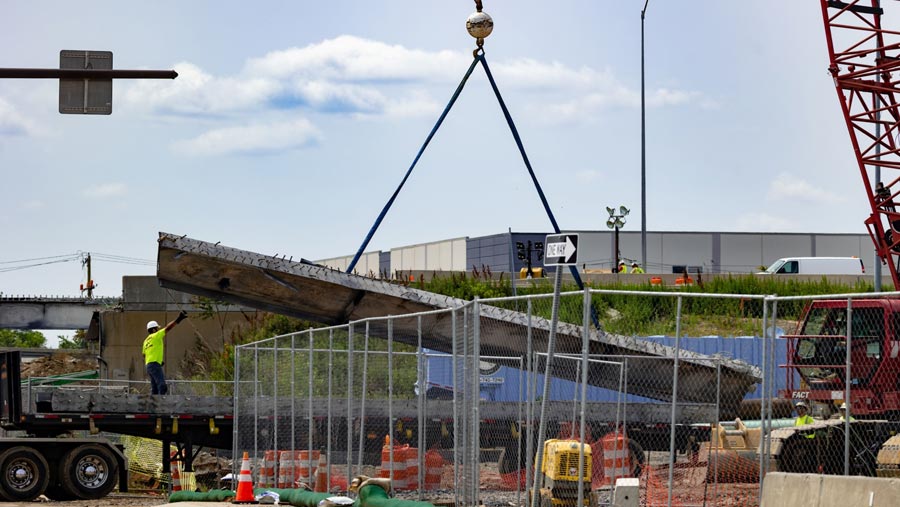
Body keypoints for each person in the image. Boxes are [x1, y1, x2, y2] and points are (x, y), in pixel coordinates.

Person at [143, 310, 188, 395]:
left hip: (148, 365)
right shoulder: (156, 336)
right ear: (153, 330)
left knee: (155, 388)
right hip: (154, 364)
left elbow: (144, 354)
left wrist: (158, 359)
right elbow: (168, 328)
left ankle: (153, 405)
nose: (158, 329)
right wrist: (179, 319)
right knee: (162, 386)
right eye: (157, 328)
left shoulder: (145, 341)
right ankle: (161, 404)